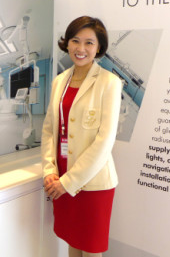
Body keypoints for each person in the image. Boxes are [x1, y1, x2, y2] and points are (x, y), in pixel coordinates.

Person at [42, 16, 122, 257]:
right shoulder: (59, 81)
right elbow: (49, 129)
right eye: (75, 41)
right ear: (67, 43)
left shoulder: (109, 83)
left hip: (91, 184)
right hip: (60, 178)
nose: (81, 49)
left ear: (98, 48)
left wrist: (68, 183)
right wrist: (49, 171)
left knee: (90, 250)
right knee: (72, 244)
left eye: (89, 43)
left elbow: (104, 142)